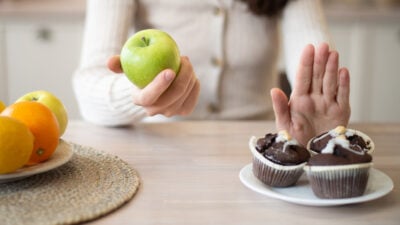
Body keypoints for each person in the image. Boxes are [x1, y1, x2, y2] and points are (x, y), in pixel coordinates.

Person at [73, 0, 350, 146]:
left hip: (260, 152)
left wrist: (317, 105)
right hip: (162, 151)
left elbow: (313, 53)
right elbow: (90, 87)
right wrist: (137, 95)